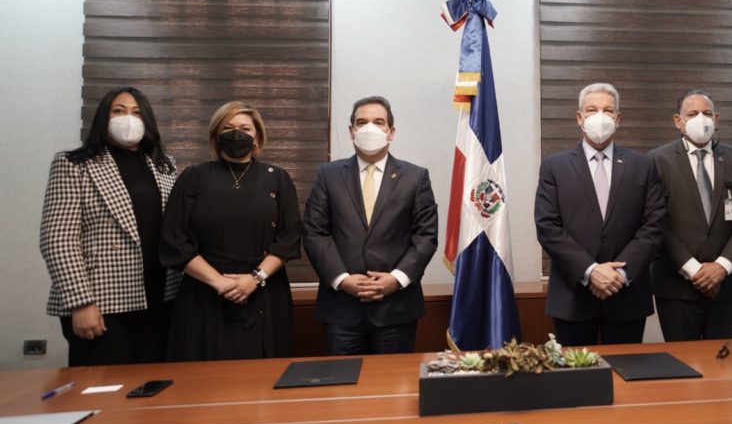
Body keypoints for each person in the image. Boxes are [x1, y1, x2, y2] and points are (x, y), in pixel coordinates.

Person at [40, 86, 179, 366]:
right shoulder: (74, 164)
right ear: (104, 117)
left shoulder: (165, 166)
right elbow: (57, 240)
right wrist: (81, 302)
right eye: (119, 111)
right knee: (101, 392)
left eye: (137, 113)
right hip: (102, 300)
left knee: (152, 391)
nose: (128, 118)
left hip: (159, 296)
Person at [160, 102, 301, 360]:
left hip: (264, 291)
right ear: (215, 135)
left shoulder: (278, 178)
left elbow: (289, 238)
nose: (237, 133)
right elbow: (174, 240)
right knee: (203, 381)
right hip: (205, 294)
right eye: (228, 127)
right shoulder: (193, 177)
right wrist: (219, 282)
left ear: (257, 136)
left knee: (263, 379)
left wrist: (254, 279)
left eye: (245, 128)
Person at [303, 96, 438, 355]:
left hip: (396, 309)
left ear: (391, 132)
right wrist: (342, 279)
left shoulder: (415, 176)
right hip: (341, 309)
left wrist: (396, 279)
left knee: (393, 389)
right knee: (342, 391)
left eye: (379, 122)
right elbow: (314, 233)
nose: (370, 128)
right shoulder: (327, 175)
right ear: (351, 131)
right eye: (362, 122)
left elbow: (426, 236)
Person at [535, 83, 665, 346]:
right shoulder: (554, 166)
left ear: (617, 119)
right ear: (579, 118)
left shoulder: (642, 165)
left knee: (628, 381)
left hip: (626, 296)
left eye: (608, 110)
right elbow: (547, 226)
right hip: (572, 297)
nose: (600, 116)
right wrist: (590, 270)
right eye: (592, 109)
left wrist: (620, 274)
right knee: (575, 381)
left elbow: (654, 226)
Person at [649, 88, 732, 341]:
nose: (702, 119)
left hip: (727, 285)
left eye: (707, 113)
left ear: (717, 119)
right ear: (678, 121)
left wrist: (722, 266)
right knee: (682, 367)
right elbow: (656, 223)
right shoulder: (657, 161)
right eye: (693, 113)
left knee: (724, 366)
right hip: (676, 285)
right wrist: (693, 269)